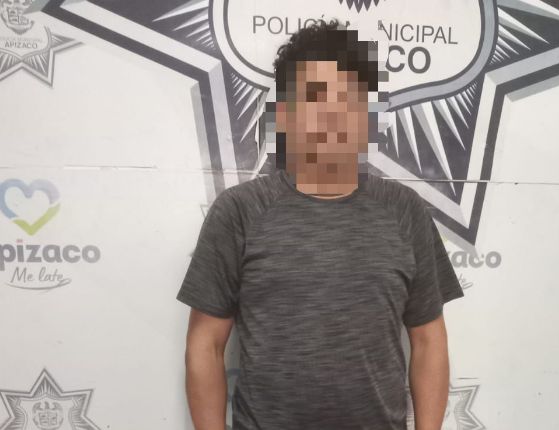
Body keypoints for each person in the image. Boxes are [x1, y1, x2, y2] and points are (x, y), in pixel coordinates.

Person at [176, 18, 464, 430]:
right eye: (313, 97)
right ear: (285, 115)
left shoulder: (405, 211)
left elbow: (429, 340)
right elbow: (205, 344)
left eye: (348, 99)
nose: (331, 113)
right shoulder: (239, 211)